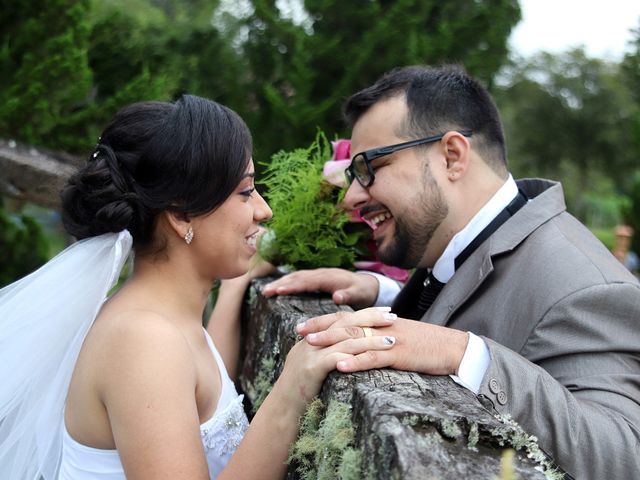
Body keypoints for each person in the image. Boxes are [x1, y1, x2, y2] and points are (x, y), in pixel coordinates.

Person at [262, 65, 640, 479]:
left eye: (368, 167)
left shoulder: (586, 288)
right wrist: (382, 290)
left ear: (452, 156)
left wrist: (464, 353)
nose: (352, 196)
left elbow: (624, 453)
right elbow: (477, 288)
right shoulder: (464, 243)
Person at [0, 95, 397, 479]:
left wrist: (234, 288)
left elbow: (206, 391)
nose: (265, 210)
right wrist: (292, 386)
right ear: (181, 214)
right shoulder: (142, 341)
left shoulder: (167, 320)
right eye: (245, 192)